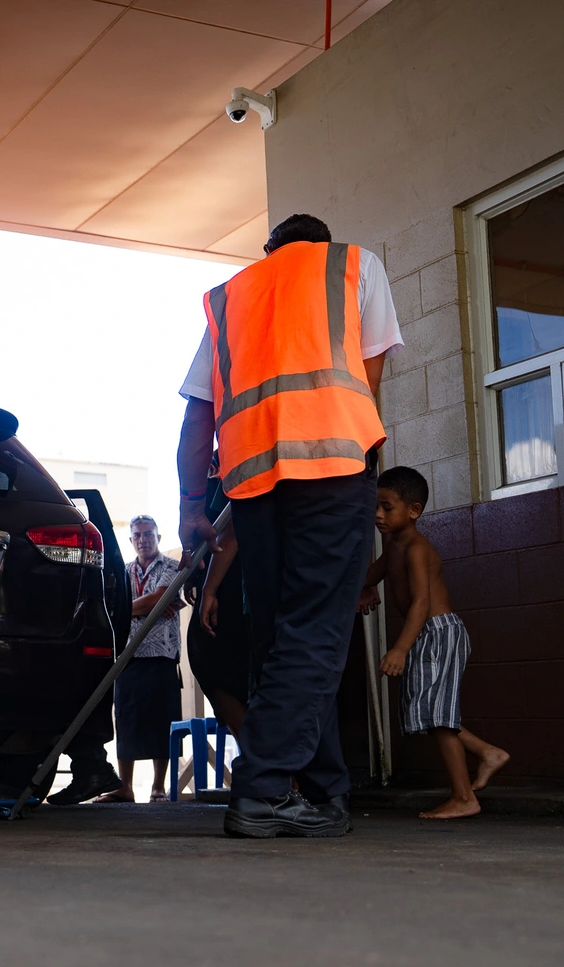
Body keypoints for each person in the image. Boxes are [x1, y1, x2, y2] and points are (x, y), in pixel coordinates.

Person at [176, 213, 400, 838]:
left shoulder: (234, 295)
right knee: (316, 636)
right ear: (319, 244)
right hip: (331, 469)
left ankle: (324, 792)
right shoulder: (352, 266)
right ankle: (262, 790)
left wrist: (193, 506)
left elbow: (198, 416)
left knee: (281, 639)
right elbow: (370, 376)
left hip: (252, 485)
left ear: (270, 250)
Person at [360, 466, 510, 819]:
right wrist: (361, 586)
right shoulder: (393, 544)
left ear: (413, 511)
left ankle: (463, 797)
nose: (378, 515)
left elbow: (422, 604)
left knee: (438, 716)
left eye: (387, 507)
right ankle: (488, 753)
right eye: (375, 507)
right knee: (425, 713)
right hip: (426, 636)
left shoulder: (415, 547)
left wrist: (399, 648)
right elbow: (374, 573)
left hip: (438, 633)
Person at [92, 516, 184, 803]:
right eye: (137, 535)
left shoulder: (171, 566)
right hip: (126, 655)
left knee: (161, 719)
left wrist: (151, 604)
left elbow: (157, 598)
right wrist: (152, 606)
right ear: (131, 540)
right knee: (126, 720)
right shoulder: (122, 571)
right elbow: (111, 606)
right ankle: (125, 787)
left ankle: (158, 787)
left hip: (161, 655)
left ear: (158, 537)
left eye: (148, 534)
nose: (143, 539)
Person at [185, 454, 251, 737]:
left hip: (234, 588)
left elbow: (229, 534)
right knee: (218, 672)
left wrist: (209, 588)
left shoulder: (232, 480)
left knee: (220, 670)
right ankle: (261, 763)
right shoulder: (212, 484)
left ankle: (268, 766)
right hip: (223, 583)